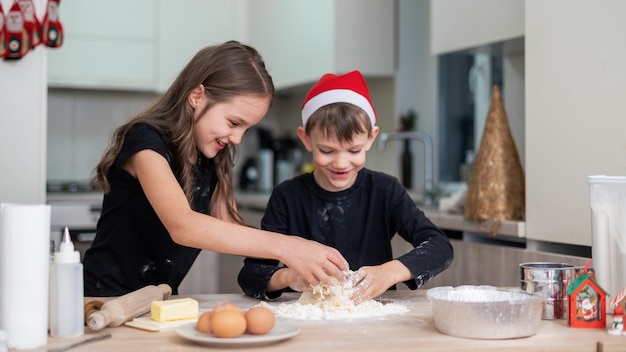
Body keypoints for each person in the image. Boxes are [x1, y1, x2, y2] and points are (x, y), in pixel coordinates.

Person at [82, 41, 348, 297]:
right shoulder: (145, 141)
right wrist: (288, 247)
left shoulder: (211, 156)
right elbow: (183, 225)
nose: (237, 138)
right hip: (103, 299)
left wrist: (293, 264)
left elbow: (229, 225)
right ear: (197, 96)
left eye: (246, 128)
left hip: (156, 300)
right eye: (234, 122)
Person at [238, 70, 454, 302]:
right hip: (307, 320)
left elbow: (439, 246)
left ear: (371, 138)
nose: (341, 163)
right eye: (327, 151)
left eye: (354, 150)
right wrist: (290, 277)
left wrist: (388, 273)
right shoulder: (287, 196)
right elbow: (250, 275)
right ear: (306, 139)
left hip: (374, 320)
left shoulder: (384, 190)